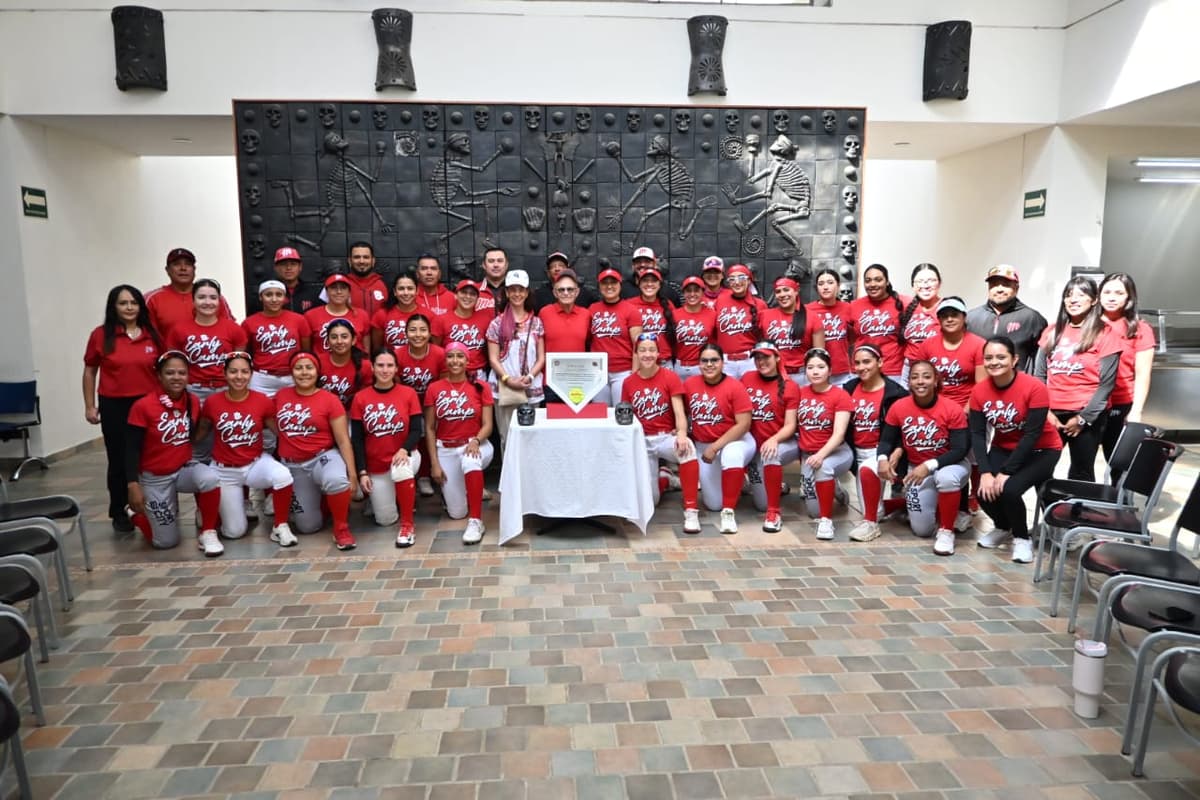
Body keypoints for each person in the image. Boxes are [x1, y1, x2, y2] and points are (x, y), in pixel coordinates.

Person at [969, 337, 1063, 564]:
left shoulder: (1034, 387)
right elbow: (978, 434)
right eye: (989, 358)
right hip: (1004, 447)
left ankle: (1022, 539)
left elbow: (1032, 435)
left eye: (1001, 357)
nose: (994, 362)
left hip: (1043, 450)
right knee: (983, 490)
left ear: (1014, 360)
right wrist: (985, 471)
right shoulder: (979, 391)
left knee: (1009, 490)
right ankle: (1003, 527)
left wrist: (1006, 471)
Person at [193, 352, 297, 546]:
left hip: (255, 463)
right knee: (234, 532)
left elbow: (279, 431)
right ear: (224, 373)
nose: (239, 376)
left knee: (282, 475)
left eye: (244, 372)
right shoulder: (212, 402)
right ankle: (215, 517)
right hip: (225, 470)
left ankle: (280, 526)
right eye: (233, 372)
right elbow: (201, 433)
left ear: (251, 374)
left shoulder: (263, 400)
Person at [123, 351, 222, 554]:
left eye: (182, 373)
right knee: (165, 542)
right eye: (170, 373)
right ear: (159, 376)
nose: (176, 377)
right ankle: (136, 514)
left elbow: (194, 434)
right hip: (155, 477)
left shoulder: (192, 401)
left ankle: (208, 532)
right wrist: (133, 484)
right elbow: (131, 448)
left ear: (188, 376)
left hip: (183, 468)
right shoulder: (143, 406)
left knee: (210, 478)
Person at [82, 284, 162, 533]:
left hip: (146, 403)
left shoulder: (152, 334)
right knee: (117, 458)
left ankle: (150, 505)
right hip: (115, 404)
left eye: (134, 303)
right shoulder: (101, 335)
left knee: (146, 456)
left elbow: (163, 370)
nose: (129, 308)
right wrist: (89, 406)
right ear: (113, 307)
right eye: (123, 303)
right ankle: (118, 510)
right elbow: (90, 369)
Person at [877, 360, 971, 556]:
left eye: (927, 376)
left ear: (936, 380)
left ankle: (947, 531)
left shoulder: (952, 409)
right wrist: (883, 458)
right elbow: (886, 440)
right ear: (909, 382)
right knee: (922, 530)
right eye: (915, 377)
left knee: (946, 479)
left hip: (951, 464)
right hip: (916, 469)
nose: (921, 381)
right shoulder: (899, 407)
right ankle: (903, 505)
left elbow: (960, 449)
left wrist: (928, 465)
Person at [1035, 277, 1123, 482]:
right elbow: (1039, 376)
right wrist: (1045, 412)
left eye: (1080, 295)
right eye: (1068, 295)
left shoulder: (1105, 333)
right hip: (1051, 413)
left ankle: (1078, 513)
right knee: (1039, 469)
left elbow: (1106, 385)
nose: (1073, 300)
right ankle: (1052, 510)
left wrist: (1083, 419)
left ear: (1093, 300)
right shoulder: (1051, 330)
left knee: (1081, 472)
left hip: (1087, 414)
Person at [273, 352, 359, 550]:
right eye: (299, 368)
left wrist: (352, 474)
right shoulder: (280, 396)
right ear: (292, 372)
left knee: (337, 480)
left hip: (322, 456)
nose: (304, 372)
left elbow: (343, 440)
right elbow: (271, 424)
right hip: (294, 465)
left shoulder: (329, 399)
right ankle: (325, 505)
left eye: (309, 368)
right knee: (308, 527)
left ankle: (341, 528)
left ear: (317, 371)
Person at [350, 349, 425, 547]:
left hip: (405, 455)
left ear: (396, 369)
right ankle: (399, 497)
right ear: (372, 368)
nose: (385, 370)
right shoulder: (360, 398)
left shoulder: (408, 394)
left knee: (401, 468)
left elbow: (417, 430)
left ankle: (407, 526)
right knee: (385, 520)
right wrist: (362, 472)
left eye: (390, 365)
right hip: (376, 465)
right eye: (380, 365)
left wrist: (403, 449)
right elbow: (357, 439)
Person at [425, 342, 495, 545]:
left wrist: (476, 440)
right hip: (445, 448)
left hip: (475, 444)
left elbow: (488, 425)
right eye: (450, 356)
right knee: (457, 513)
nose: (455, 361)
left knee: (470, 461)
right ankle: (469, 489)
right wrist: (434, 463)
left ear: (467, 361)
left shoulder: (481, 387)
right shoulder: (434, 388)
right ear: (445, 360)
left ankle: (476, 522)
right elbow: (429, 428)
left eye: (460, 356)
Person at [680, 344, 754, 535]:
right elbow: (682, 414)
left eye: (714, 360)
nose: (709, 364)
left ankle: (728, 513)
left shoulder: (735, 386)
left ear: (723, 362)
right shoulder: (690, 385)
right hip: (704, 445)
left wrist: (715, 447)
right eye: (705, 360)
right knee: (713, 504)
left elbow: (743, 424)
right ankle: (737, 484)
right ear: (699, 364)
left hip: (736, 441)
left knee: (730, 454)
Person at [843, 345, 909, 542]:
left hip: (881, 452)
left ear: (880, 363)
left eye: (867, 362)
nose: (861, 367)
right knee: (876, 509)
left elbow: (904, 430)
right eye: (857, 363)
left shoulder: (896, 393)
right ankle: (901, 505)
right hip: (857, 451)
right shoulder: (849, 388)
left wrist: (895, 454)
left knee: (867, 472)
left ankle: (870, 525)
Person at [621, 334, 695, 506]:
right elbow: (627, 417)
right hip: (642, 440)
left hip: (665, 437)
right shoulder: (628, 382)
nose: (647, 354)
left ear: (658, 353)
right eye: (643, 350)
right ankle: (665, 480)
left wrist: (682, 433)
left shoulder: (670, 377)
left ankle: (691, 510)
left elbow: (679, 412)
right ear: (636, 354)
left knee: (689, 449)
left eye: (652, 350)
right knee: (651, 502)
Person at [793, 348, 854, 539]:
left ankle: (827, 522)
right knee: (813, 511)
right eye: (810, 367)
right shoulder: (800, 393)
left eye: (821, 366)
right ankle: (834, 489)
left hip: (837, 452)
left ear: (830, 369)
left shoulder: (840, 395)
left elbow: (839, 434)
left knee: (824, 468)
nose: (815, 371)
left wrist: (820, 455)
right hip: (809, 456)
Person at [165, 278, 248, 414]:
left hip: (226, 389)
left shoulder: (234, 329)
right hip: (193, 391)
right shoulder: (178, 330)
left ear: (219, 301)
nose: (208, 302)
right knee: (195, 432)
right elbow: (173, 364)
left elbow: (239, 363)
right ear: (193, 300)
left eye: (213, 298)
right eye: (201, 297)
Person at [1098, 272, 1156, 470]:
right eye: (1106, 292)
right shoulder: (1089, 324)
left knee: (1117, 464)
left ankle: (1119, 500)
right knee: (1082, 463)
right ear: (1098, 296)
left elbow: (1142, 374)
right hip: (1088, 404)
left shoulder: (1140, 329)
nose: (1112, 297)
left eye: (1118, 293)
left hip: (1120, 404)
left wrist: (1136, 411)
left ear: (1129, 297)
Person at [741, 342, 800, 533]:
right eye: (757, 358)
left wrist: (774, 439)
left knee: (770, 457)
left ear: (777, 357)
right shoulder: (747, 378)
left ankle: (774, 513)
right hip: (756, 446)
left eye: (766, 357)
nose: (761, 362)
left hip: (782, 443)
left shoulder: (790, 386)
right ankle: (776, 485)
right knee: (759, 503)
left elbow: (791, 425)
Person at [487, 270, 545, 451]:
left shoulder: (536, 322)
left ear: (527, 292)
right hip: (504, 387)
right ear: (506, 292)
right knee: (508, 437)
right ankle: (510, 479)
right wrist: (508, 379)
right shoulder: (497, 323)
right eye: (513, 290)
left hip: (531, 384)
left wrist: (529, 377)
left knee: (532, 438)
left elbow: (541, 357)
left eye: (521, 290)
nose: (517, 294)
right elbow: (493, 358)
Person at [395, 314, 445, 498]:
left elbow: (443, 384)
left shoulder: (439, 353)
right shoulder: (398, 354)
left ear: (430, 332)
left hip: (432, 403)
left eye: (423, 330)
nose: (418, 334)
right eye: (413, 330)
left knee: (428, 429)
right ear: (406, 333)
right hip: (406, 405)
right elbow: (396, 384)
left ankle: (425, 475)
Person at [964, 264, 1047, 373]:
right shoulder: (971, 317)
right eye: (994, 284)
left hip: (1018, 387)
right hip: (979, 385)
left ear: (1016, 288)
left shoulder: (1032, 318)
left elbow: (1042, 361)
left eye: (1006, 285)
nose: (999, 289)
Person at [913, 297, 986, 410]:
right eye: (944, 316)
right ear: (939, 319)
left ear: (964, 317)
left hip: (967, 407)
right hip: (934, 407)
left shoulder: (979, 345)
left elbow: (981, 387)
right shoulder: (927, 345)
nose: (949, 319)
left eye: (954, 315)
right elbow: (919, 381)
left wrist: (965, 412)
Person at [242, 279, 312, 398]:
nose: (274, 299)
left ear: (285, 298)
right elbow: (245, 353)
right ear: (261, 297)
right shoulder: (249, 323)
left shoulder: (299, 320)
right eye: (268, 295)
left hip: (293, 376)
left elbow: (306, 350)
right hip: (262, 378)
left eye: (279, 295)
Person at [145, 247, 233, 339]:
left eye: (188, 264)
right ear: (167, 270)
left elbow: (231, 330)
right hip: (170, 352)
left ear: (194, 269)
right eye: (176, 264)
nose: (183, 268)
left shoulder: (211, 298)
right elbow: (146, 336)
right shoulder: (152, 299)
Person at [589, 268, 643, 405]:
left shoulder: (631, 310)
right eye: (604, 283)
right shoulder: (592, 309)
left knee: (622, 413)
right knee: (600, 415)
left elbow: (638, 345)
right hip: (598, 371)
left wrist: (634, 373)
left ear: (620, 285)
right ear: (599, 286)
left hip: (623, 372)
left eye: (613, 282)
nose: (609, 286)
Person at [761, 276, 824, 386]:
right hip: (774, 375)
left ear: (796, 291)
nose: (782, 295)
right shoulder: (765, 316)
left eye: (786, 290)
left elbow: (819, 354)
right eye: (778, 291)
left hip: (803, 376)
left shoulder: (812, 317)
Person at [850, 263, 906, 382]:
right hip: (862, 370)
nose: (873, 284)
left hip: (893, 370)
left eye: (878, 280)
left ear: (887, 282)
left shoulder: (902, 303)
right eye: (868, 280)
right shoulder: (854, 306)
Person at [713, 264, 766, 379]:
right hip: (726, 362)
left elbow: (764, 334)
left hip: (750, 361)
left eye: (741, 278)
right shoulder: (720, 300)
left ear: (749, 280)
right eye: (732, 279)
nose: (737, 282)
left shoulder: (759, 304)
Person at [433, 280, 493, 378]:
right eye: (464, 292)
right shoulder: (441, 319)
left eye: (472, 294)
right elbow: (436, 349)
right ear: (456, 295)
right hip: (451, 371)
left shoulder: (485, 319)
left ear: (477, 298)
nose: (468, 297)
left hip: (478, 373)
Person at [806, 268, 854, 386]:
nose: (825, 287)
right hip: (815, 371)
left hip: (841, 371)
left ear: (838, 286)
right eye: (821, 284)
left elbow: (853, 338)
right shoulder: (807, 310)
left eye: (830, 283)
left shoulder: (847, 308)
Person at [304, 274, 371, 353]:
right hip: (322, 363)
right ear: (326, 292)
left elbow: (366, 351)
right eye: (334, 288)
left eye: (343, 288)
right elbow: (306, 350)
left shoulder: (362, 315)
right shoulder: (311, 316)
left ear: (349, 292)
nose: (339, 292)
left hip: (354, 363)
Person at [625, 268, 677, 367]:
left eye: (653, 281)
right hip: (641, 362)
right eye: (645, 280)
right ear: (639, 284)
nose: (649, 284)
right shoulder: (629, 305)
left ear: (659, 284)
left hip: (664, 362)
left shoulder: (668, 304)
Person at [899, 263, 943, 375]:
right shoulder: (905, 305)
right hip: (909, 368)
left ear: (939, 283)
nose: (926, 285)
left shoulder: (947, 307)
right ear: (913, 286)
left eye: (931, 280)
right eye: (920, 281)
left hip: (937, 366)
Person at [316, 319, 371, 407]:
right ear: (328, 341)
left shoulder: (365, 366)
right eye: (334, 337)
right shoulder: (317, 362)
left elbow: (366, 398)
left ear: (353, 340)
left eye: (344, 337)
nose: (339, 341)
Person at [673, 276, 716, 382]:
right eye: (688, 291)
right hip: (679, 366)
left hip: (702, 366)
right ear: (683, 293)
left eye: (696, 290)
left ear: (703, 292)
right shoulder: (675, 314)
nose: (692, 294)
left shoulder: (712, 314)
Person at [372, 271, 421, 353]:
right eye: (401, 289)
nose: (406, 293)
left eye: (410, 288)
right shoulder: (381, 315)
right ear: (395, 292)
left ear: (417, 291)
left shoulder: (427, 315)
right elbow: (377, 349)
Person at [263, 246, 322, 314]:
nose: (288, 268)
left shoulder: (313, 293)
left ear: (300, 267)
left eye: (293, 264)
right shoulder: (268, 293)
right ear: (276, 268)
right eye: (284, 264)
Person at [344, 240, 389, 319]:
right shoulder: (339, 284)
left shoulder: (385, 284)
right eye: (357, 257)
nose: (361, 261)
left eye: (366, 257)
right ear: (349, 261)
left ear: (373, 261)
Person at [414, 253, 454, 318]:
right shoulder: (410, 297)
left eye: (433, 268)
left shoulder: (452, 298)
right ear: (417, 274)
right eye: (424, 268)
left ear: (439, 274)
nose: (429, 273)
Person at [476, 245, 509, 314]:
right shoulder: (474, 291)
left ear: (506, 265)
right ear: (484, 265)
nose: (496, 265)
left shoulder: (516, 292)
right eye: (491, 261)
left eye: (500, 261)